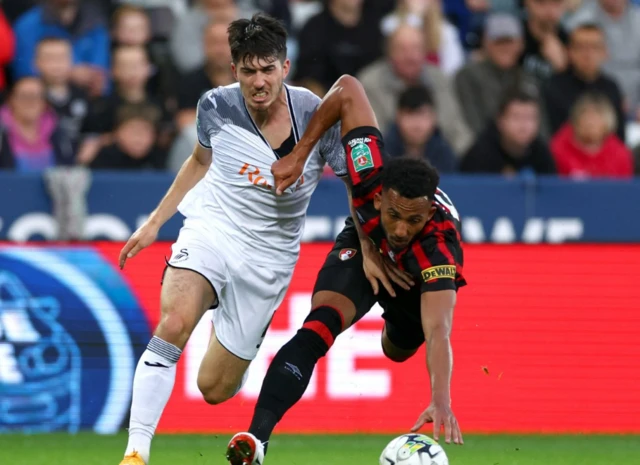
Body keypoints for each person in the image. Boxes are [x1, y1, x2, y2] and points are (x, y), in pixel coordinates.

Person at [116, 13, 349, 465]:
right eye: (248, 70)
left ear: (285, 66)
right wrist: (154, 223)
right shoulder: (216, 106)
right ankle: (135, 453)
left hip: (268, 259)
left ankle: (227, 320)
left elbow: (354, 182)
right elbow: (199, 162)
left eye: (267, 69)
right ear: (234, 70)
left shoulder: (316, 116)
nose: (258, 81)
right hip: (214, 228)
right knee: (173, 324)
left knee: (214, 389)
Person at [226, 75, 466, 465]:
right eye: (393, 215)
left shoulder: (438, 248)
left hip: (410, 279)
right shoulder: (370, 172)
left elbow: (439, 330)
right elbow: (348, 88)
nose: (403, 229)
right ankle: (256, 440)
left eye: (414, 221)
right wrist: (301, 153)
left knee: (397, 350)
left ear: (428, 215)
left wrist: (441, 400)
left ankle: (392, 319)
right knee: (317, 327)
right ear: (382, 195)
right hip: (361, 242)